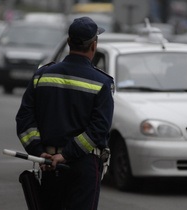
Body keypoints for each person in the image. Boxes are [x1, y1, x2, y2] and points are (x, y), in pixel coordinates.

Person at [15, 16, 114, 210]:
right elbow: (99, 129)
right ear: (94, 45)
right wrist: (68, 154)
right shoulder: (101, 83)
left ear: (69, 42)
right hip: (84, 166)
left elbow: (25, 120)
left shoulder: (42, 75)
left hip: (48, 164)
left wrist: (39, 151)